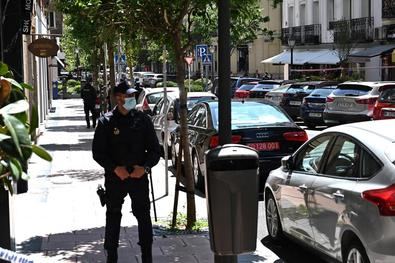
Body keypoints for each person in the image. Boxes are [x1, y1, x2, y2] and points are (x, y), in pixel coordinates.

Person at [92, 81, 161, 263]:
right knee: (113, 215)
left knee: (143, 216)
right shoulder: (106, 122)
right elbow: (98, 153)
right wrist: (115, 168)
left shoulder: (142, 120)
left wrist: (144, 167)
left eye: (131, 96)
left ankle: (147, 256)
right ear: (118, 98)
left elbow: (155, 150)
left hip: (139, 177)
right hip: (116, 178)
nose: (129, 99)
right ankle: (112, 256)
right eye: (126, 96)